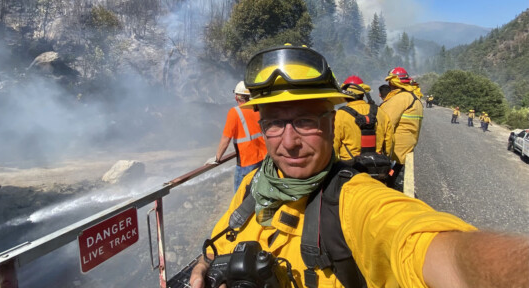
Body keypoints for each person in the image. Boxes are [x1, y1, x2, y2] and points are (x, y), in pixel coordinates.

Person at [189, 45, 529, 288]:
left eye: (306, 121)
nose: (288, 142)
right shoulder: (252, 187)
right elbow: (219, 245)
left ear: (331, 124)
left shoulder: (354, 202)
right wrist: (204, 266)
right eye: (275, 123)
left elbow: (433, 249)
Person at [207, 81, 267, 192]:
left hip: (246, 163)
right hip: (263, 159)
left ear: (236, 97)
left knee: (240, 198)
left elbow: (226, 139)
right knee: (257, 193)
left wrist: (217, 158)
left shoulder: (235, 112)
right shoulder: (258, 109)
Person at [379, 67, 424, 189]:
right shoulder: (414, 98)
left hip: (395, 152)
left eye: (390, 81)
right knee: (395, 177)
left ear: (393, 82)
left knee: (388, 180)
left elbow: (385, 124)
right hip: (406, 150)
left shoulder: (401, 98)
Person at [333, 75, 393, 162]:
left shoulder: (340, 115)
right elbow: (389, 140)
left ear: (345, 95)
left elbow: (334, 143)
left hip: (350, 165)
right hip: (377, 165)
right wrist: (386, 158)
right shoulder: (380, 112)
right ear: (363, 93)